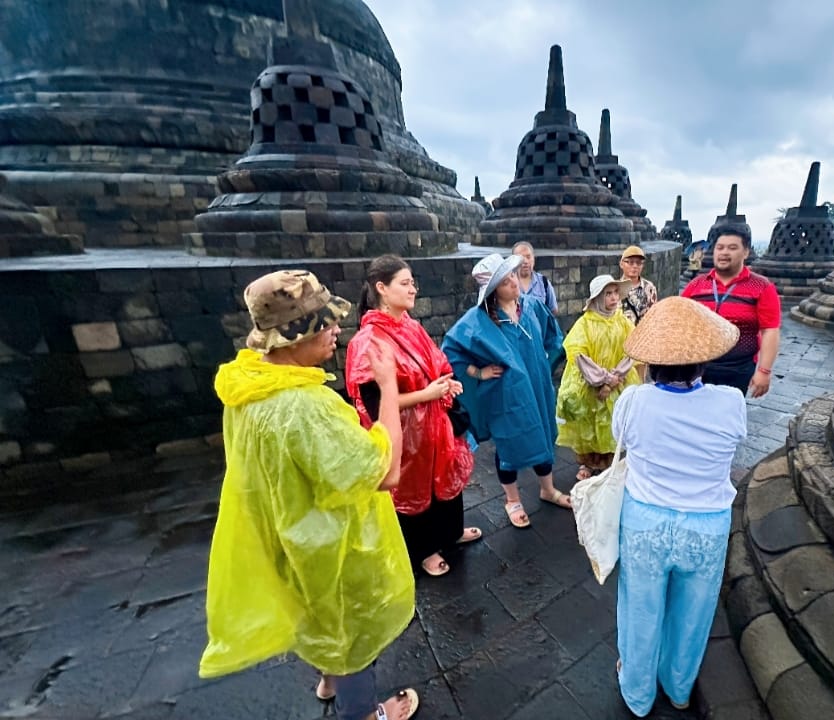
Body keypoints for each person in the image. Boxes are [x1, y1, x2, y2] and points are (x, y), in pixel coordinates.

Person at [200, 269, 420, 720]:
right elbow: (385, 473)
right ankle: (363, 712)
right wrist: (388, 388)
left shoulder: (248, 382)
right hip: (331, 546)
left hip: (284, 533)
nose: (336, 328)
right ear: (292, 337)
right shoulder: (306, 407)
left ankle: (327, 677)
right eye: (324, 322)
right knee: (350, 630)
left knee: (312, 613)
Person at [612, 296, 746, 717]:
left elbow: (621, 441)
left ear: (651, 362)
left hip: (646, 521)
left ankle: (637, 693)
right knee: (694, 612)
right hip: (707, 525)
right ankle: (679, 686)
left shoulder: (633, 401)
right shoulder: (732, 401)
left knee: (640, 608)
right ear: (704, 358)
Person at [345, 255, 481, 579]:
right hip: (405, 433)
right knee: (411, 491)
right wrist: (427, 395)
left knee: (444, 480)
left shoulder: (410, 326)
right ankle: (424, 550)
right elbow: (374, 405)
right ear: (382, 288)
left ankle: (450, 533)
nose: (413, 289)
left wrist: (446, 383)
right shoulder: (369, 341)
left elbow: (436, 364)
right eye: (404, 283)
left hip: (435, 425)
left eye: (412, 283)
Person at [442, 253, 571, 529]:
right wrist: (479, 373)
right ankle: (512, 500)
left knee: (543, 434)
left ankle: (547, 489)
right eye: (504, 281)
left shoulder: (532, 306)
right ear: (493, 291)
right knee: (509, 442)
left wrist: (545, 364)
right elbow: (451, 351)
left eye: (512, 275)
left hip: (537, 388)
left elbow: (554, 337)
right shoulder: (479, 321)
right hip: (505, 394)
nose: (513, 282)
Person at [555, 273, 640, 481]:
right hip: (590, 385)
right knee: (588, 424)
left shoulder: (623, 322)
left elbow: (632, 350)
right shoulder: (585, 324)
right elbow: (579, 355)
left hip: (618, 383)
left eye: (615, 293)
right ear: (597, 298)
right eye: (608, 293)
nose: (613, 298)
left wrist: (613, 380)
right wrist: (602, 379)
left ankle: (608, 463)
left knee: (611, 424)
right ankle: (587, 463)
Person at [681, 224, 780, 396]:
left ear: (745, 252)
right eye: (720, 248)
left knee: (729, 411)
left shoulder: (761, 286)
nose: (724, 252)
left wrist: (764, 371)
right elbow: (678, 321)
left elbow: (770, 330)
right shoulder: (696, 285)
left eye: (732, 248)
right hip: (696, 367)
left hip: (738, 368)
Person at [512, 240, 558, 314]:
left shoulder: (544, 282)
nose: (525, 261)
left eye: (528, 257)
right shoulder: (509, 283)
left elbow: (553, 310)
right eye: (521, 258)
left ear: (533, 258)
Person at [618, 245, 658, 325]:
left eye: (639, 263)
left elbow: (654, 315)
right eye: (630, 262)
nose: (635, 266)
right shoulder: (615, 288)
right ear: (621, 264)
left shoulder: (649, 288)